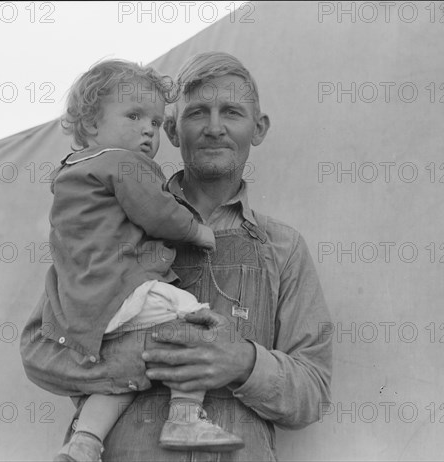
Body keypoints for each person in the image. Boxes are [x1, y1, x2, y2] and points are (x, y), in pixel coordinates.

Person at [61, 52, 333, 461]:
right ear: (171, 128)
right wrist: (137, 359)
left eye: (232, 112)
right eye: (198, 113)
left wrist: (243, 363)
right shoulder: (106, 226)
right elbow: (51, 350)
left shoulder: (283, 247)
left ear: (258, 129)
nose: (215, 127)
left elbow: (313, 392)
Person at [19, 59, 246, 462]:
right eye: (135, 115)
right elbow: (157, 210)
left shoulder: (73, 174)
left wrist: (121, 364)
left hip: (85, 307)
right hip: (121, 289)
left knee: (118, 382)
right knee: (200, 323)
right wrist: (197, 232)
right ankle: (185, 415)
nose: (148, 129)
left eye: (156, 122)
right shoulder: (124, 164)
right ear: (90, 125)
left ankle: (85, 443)